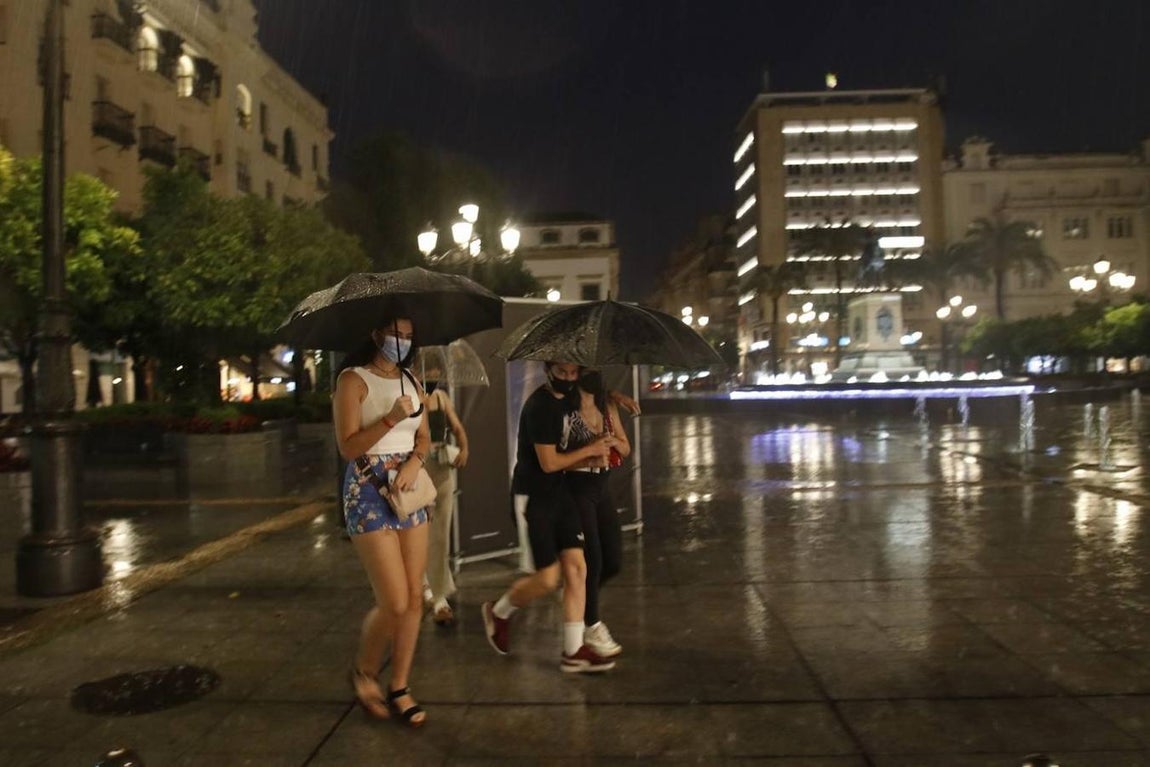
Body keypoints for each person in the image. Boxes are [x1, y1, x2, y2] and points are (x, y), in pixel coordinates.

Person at [481, 361, 619, 673]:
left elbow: (595, 398)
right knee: (547, 578)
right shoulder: (540, 407)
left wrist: (616, 398)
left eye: (573, 373)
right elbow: (549, 463)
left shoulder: (568, 399)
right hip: (533, 497)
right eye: (562, 372)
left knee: (578, 568)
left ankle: (573, 651)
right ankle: (498, 612)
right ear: (548, 369)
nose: (568, 378)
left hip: (561, 494)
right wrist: (590, 451)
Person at [334, 317, 431, 728]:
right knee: (394, 601)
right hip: (368, 489)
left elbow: (424, 437)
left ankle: (400, 685)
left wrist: (415, 462)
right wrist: (390, 418)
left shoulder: (412, 380)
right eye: (395, 334)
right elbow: (347, 446)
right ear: (376, 334)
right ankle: (365, 671)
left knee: (414, 597)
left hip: (409, 489)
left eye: (408, 336)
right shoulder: (352, 380)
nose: (402, 342)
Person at [562, 368, 631, 658]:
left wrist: (614, 442)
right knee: (594, 558)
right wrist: (589, 451)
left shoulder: (608, 405)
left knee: (612, 561)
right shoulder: (565, 410)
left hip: (603, 487)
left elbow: (626, 448)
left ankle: (577, 599)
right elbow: (555, 460)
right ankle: (591, 624)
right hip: (577, 487)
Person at [418, 372, 469, 626]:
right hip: (416, 468)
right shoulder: (406, 397)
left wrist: (464, 448)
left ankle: (439, 595)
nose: (433, 374)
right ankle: (423, 584)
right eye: (428, 369)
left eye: (436, 370)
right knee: (419, 532)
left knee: (440, 533)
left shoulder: (440, 397)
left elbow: (457, 427)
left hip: (440, 466)